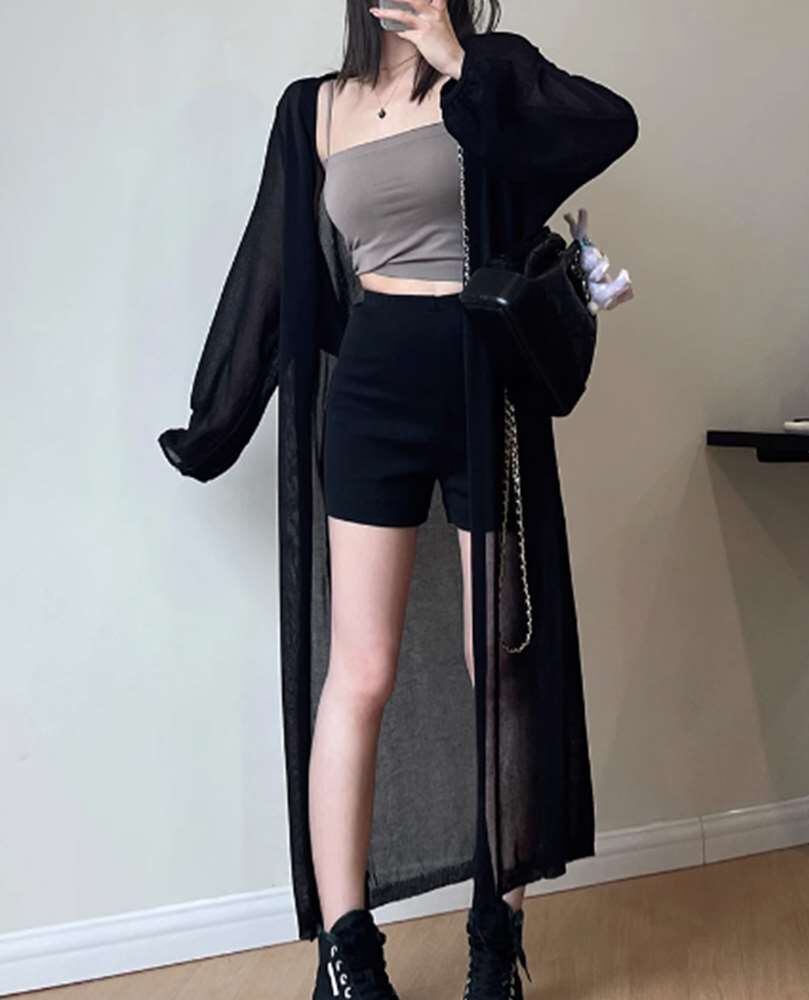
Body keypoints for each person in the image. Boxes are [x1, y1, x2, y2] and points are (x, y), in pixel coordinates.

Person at [158, 2, 639, 997]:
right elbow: (271, 278)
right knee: (360, 670)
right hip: (372, 391)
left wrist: (461, 64)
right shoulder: (312, 109)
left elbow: (606, 126)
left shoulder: (490, 70)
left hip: (484, 383)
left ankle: (496, 941)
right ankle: (348, 951)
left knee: (496, 662)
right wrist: (216, 422)